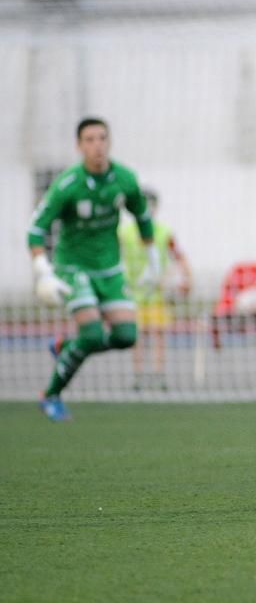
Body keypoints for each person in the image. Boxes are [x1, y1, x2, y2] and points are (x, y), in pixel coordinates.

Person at [28, 117, 158, 421]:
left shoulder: (124, 178)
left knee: (126, 336)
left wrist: (152, 261)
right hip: (73, 267)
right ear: (79, 145)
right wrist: (43, 271)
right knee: (92, 333)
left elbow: (142, 217)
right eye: (89, 139)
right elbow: (36, 230)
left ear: (109, 142)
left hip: (110, 268)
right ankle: (50, 395)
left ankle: (65, 346)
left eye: (102, 138)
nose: (97, 145)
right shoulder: (67, 184)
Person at [118, 189, 193, 391]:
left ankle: (159, 375)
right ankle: (139, 376)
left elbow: (179, 255)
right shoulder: (124, 232)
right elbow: (112, 255)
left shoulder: (163, 231)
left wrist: (186, 278)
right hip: (132, 293)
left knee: (158, 334)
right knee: (136, 336)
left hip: (157, 292)